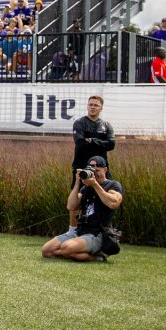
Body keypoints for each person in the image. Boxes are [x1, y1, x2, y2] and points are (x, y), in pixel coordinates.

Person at [41, 155, 124, 262]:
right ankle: (77, 253)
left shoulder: (113, 185)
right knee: (47, 251)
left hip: (98, 233)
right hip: (80, 231)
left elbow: (113, 203)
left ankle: (97, 256)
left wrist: (95, 185)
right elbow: (71, 206)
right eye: (92, 171)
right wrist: (77, 182)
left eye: (97, 170)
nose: (94, 174)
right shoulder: (86, 188)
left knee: (67, 248)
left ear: (105, 169)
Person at [68, 95, 115, 234]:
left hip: (101, 169)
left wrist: (92, 140)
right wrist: (101, 143)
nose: (92, 107)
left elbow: (111, 144)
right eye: (90, 105)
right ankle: (72, 230)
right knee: (77, 199)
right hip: (81, 167)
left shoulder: (106, 126)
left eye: (96, 105)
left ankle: (104, 231)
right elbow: (80, 143)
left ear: (101, 108)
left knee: (103, 196)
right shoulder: (80, 123)